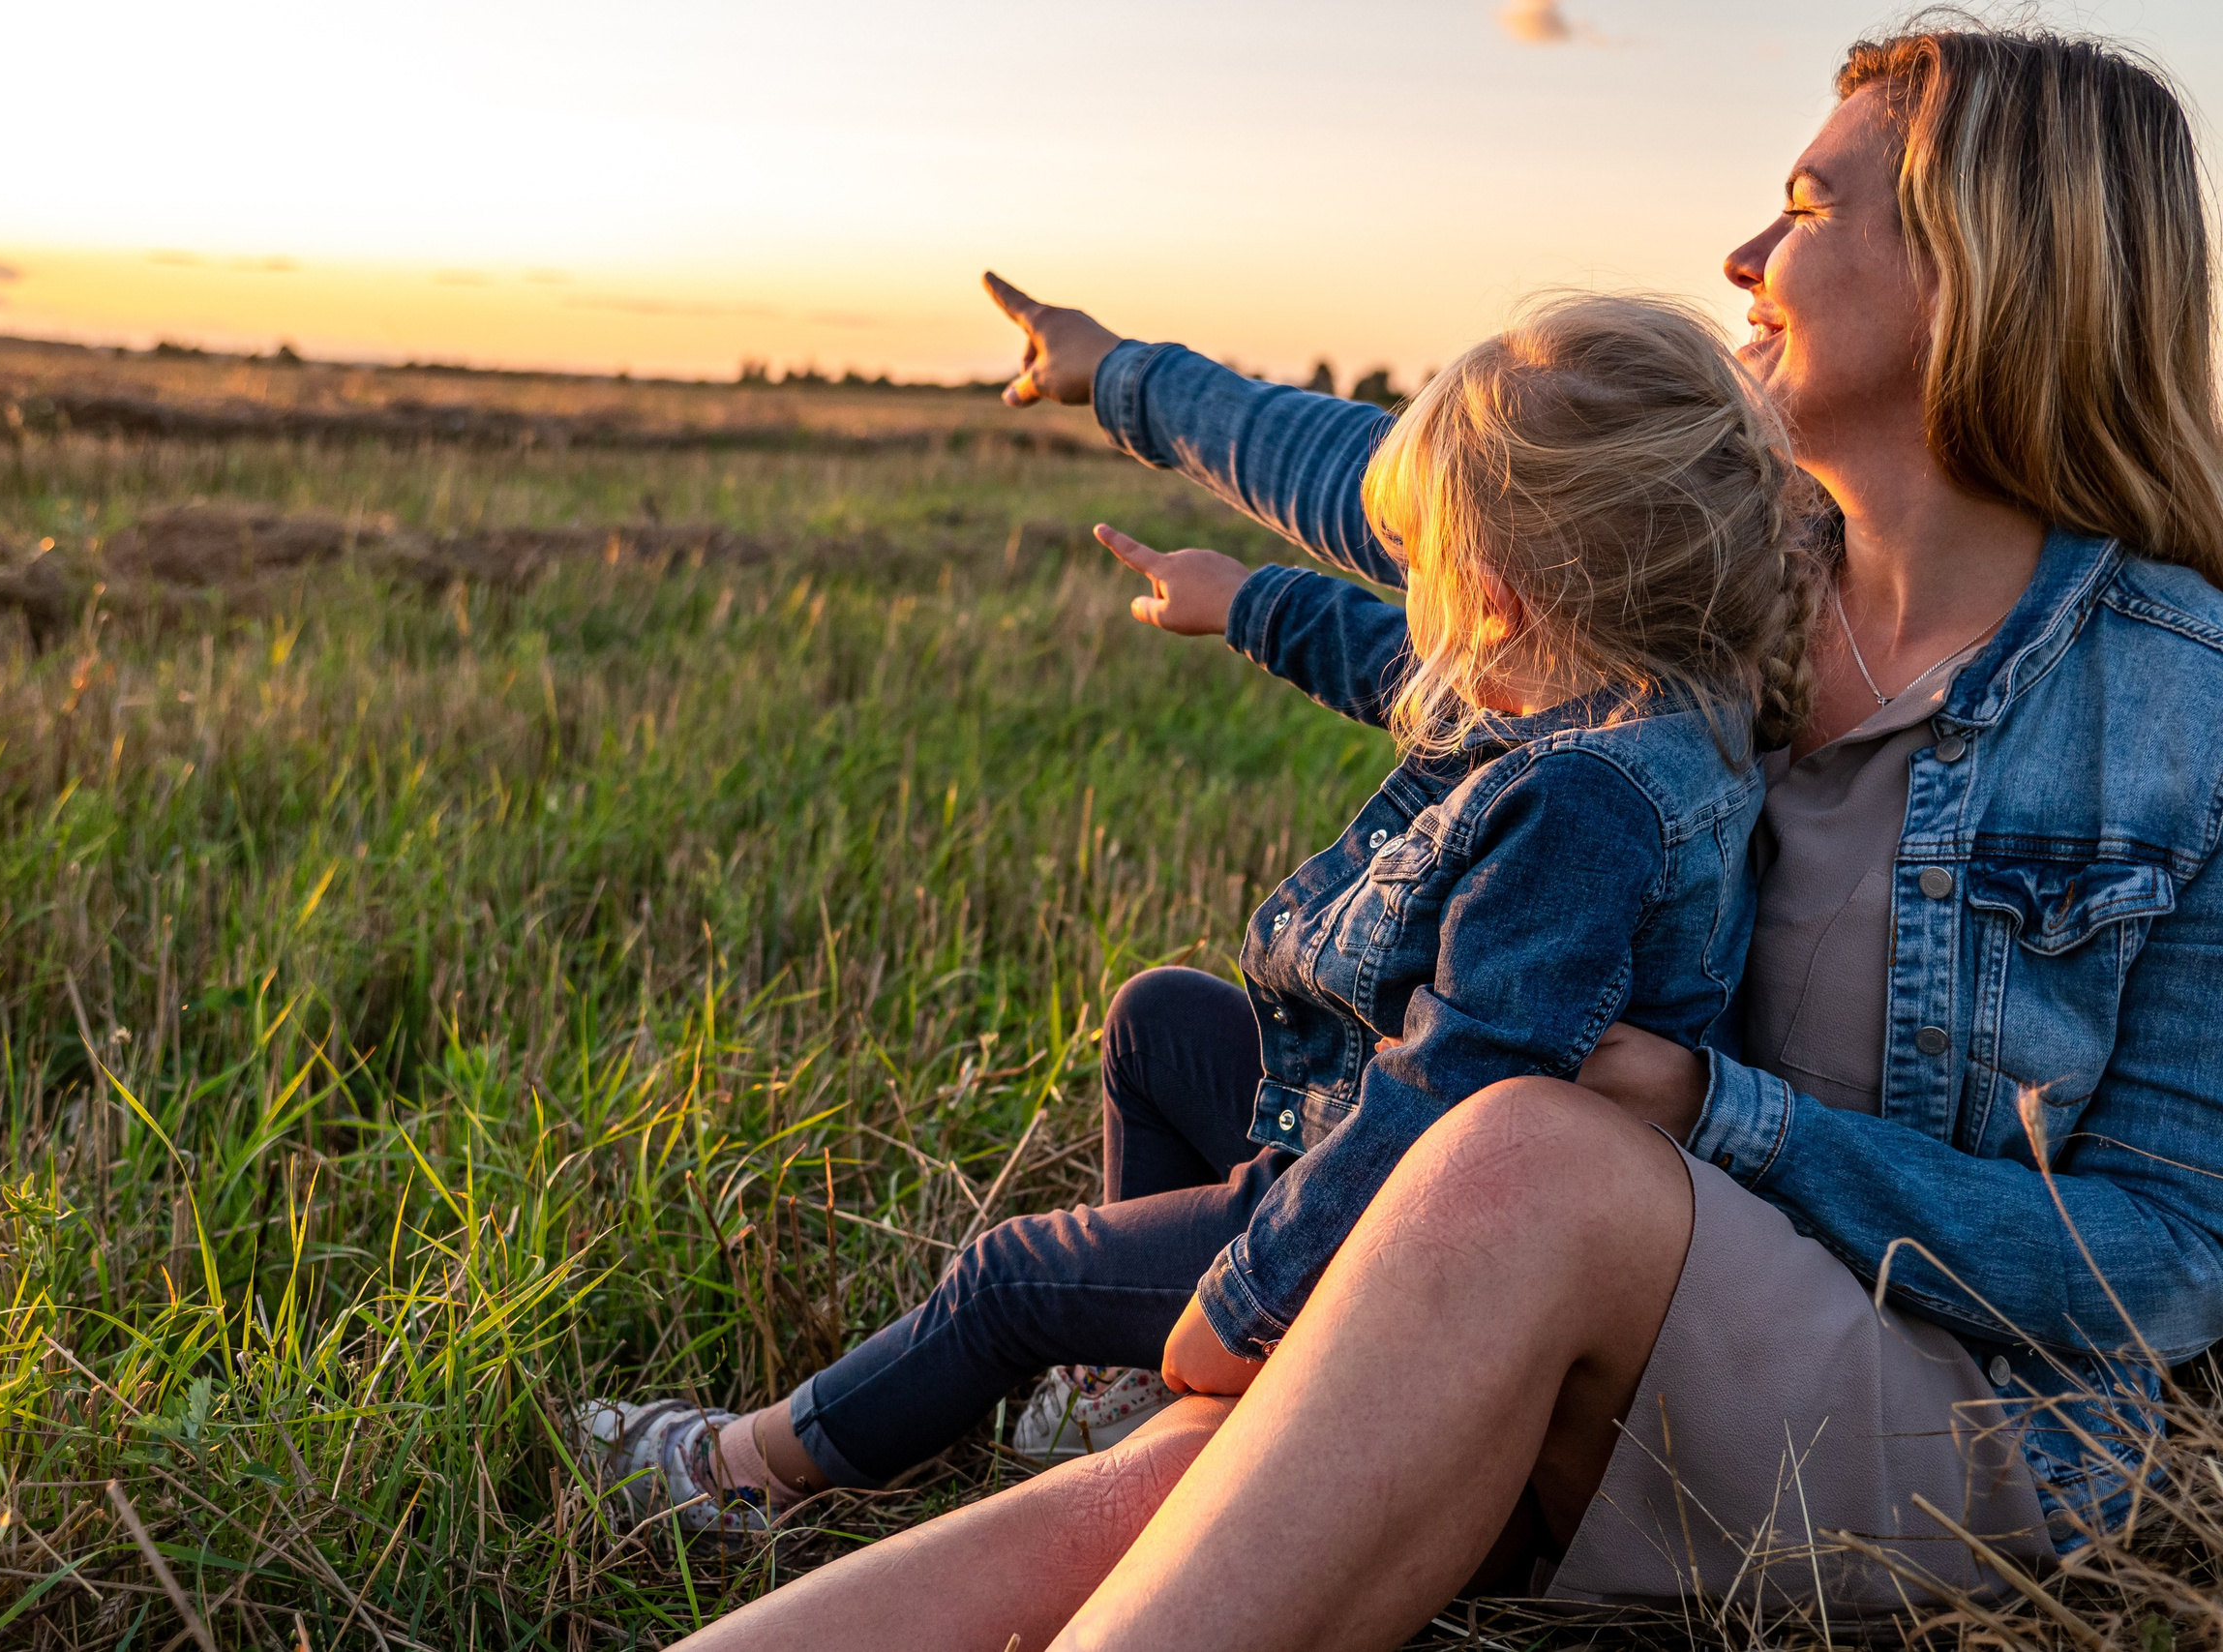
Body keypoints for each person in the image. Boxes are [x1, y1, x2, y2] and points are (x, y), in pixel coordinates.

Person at [670, 22, 2223, 1650]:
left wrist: (1719, 1112)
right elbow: (1395, 475)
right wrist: (1113, 368)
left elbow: (2167, 1265)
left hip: (1951, 1424)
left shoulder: (2177, 712)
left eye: (1809, 208)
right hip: (1582, 1304)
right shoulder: (1718, 568)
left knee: (1505, 1152)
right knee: (1202, 1448)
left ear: (1981, 270)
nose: (1742, 254)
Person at [581, 295, 1820, 1521]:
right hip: (1354, 1155)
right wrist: (1244, 603)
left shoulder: (1587, 802)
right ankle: (1129, 1388)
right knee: (1160, 1022)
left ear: (1503, 593)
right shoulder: (1659, 688)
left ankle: (744, 1472)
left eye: (1432, 569)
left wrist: (1250, 1301)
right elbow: (1405, 665)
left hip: (1379, 1221)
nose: (1424, 610)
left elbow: (1448, 1111)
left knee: (1012, 1275)